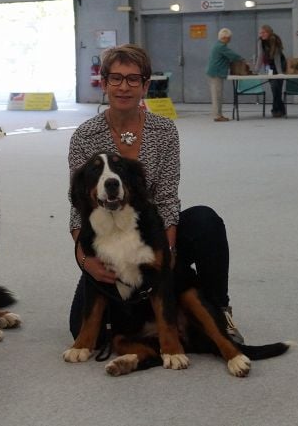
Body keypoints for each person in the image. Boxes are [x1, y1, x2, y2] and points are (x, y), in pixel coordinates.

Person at [68, 43, 243, 344]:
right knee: (83, 332)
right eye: (116, 78)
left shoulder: (164, 131)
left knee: (205, 220)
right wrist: (87, 262)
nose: (124, 87)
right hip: (110, 244)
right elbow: (79, 207)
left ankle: (218, 311)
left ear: (145, 85)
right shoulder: (85, 135)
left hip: (155, 238)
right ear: (105, 82)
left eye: (133, 79)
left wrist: (168, 256)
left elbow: (166, 199)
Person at [205, 28, 243, 122]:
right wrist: (243, 59)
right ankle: (218, 116)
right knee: (217, 95)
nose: (230, 39)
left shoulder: (218, 45)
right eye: (229, 38)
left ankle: (218, 114)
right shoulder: (221, 46)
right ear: (225, 37)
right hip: (216, 73)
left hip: (214, 73)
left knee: (217, 95)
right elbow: (233, 55)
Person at [258, 24, 287, 118]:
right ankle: (279, 110)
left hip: (280, 65)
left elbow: (277, 58)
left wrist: (280, 73)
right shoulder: (260, 42)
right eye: (260, 32)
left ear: (269, 33)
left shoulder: (275, 40)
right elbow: (260, 56)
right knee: (275, 89)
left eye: (263, 32)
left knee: (278, 88)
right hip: (269, 66)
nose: (261, 34)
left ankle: (276, 110)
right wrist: (255, 70)